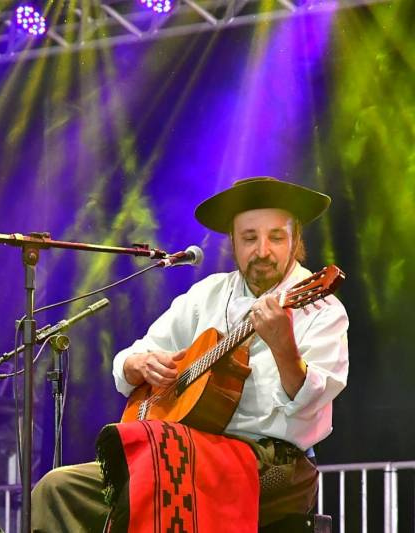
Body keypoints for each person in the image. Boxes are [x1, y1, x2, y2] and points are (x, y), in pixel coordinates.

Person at [31, 177, 349, 531]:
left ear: (296, 240)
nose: (262, 250)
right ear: (233, 242)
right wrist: (139, 364)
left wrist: (283, 347)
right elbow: (129, 360)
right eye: (249, 238)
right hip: (184, 451)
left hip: (271, 462)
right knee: (57, 488)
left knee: (155, 481)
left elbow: (312, 400)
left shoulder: (321, 307)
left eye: (276, 237)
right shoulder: (207, 295)